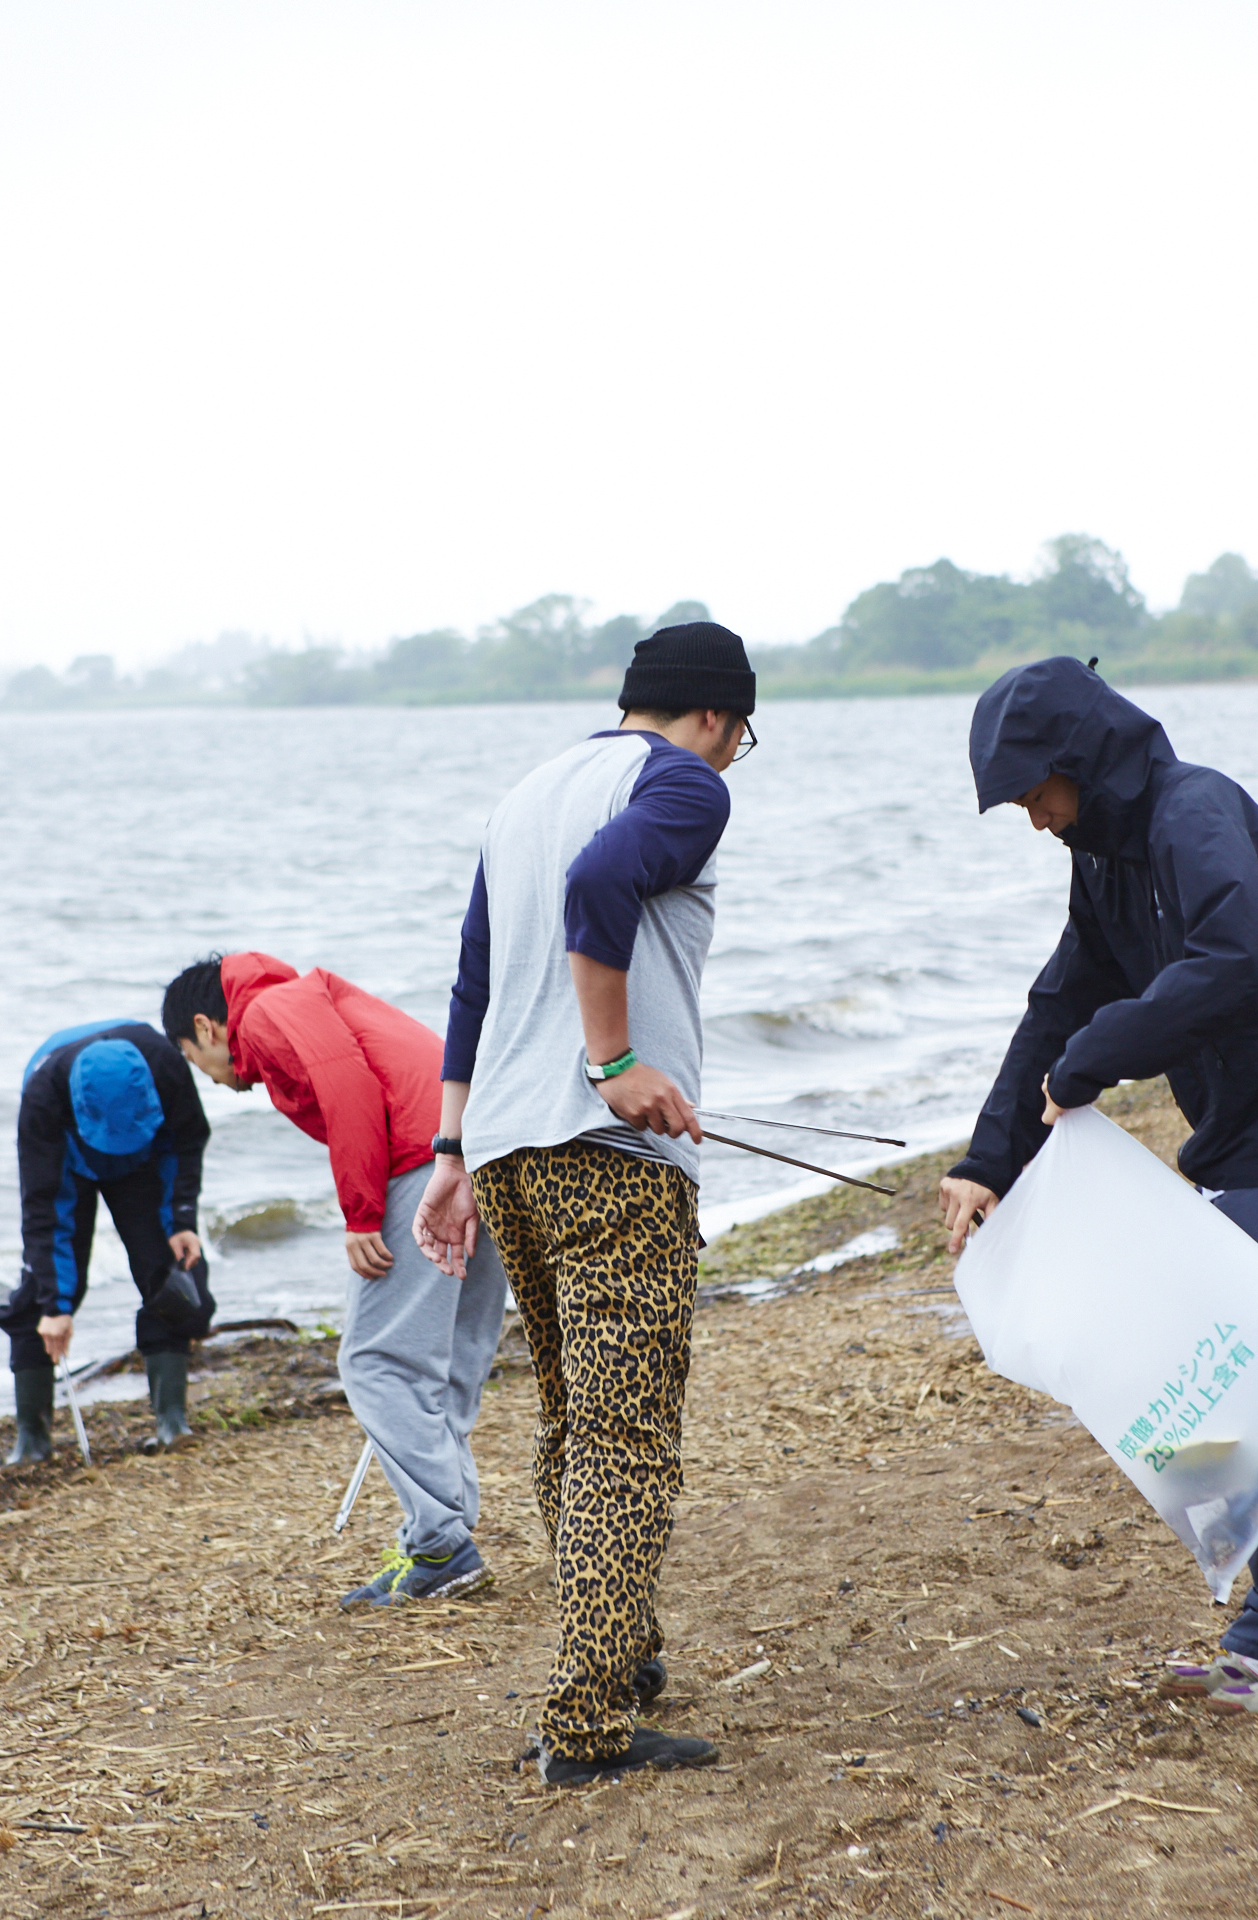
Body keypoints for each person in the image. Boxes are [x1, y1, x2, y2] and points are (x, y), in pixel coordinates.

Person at [937, 656, 1258, 1718]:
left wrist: (1095, 1056)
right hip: (1234, 1148)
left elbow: (1234, 959)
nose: (1035, 820)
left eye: (1036, 795)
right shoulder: (1104, 860)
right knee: (1199, 1390)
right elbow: (1056, 1004)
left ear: (1080, 762)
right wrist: (984, 1162)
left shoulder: (1197, 811)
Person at [413, 620, 757, 1787]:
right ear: (714, 714)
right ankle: (585, 1726)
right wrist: (613, 1063)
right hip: (609, 1154)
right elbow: (602, 881)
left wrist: (450, 1149)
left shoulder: (527, 792)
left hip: (508, 1151)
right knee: (625, 1435)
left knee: (573, 1418)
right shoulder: (683, 783)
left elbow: (473, 973)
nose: (731, 759)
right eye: (739, 738)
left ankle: (622, 1654)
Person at [163, 950, 508, 1608]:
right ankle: (445, 1535)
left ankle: (440, 1544)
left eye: (190, 1057)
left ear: (207, 1027)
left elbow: (348, 1088)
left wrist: (361, 1215)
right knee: (451, 1353)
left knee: (375, 1361)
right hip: (478, 1149)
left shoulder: (267, 1012)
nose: (205, 1078)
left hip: (423, 1159)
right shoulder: (301, 997)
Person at [0, 1017, 212, 1463]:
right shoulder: (42, 1099)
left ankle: (172, 1421)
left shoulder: (167, 1065)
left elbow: (186, 1140)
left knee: (174, 1275)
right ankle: (31, 1442)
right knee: (44, 1287)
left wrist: (182, 1218)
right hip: (69, 1162)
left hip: (145, 1162)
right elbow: (42, 1211)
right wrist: (57, 1306)